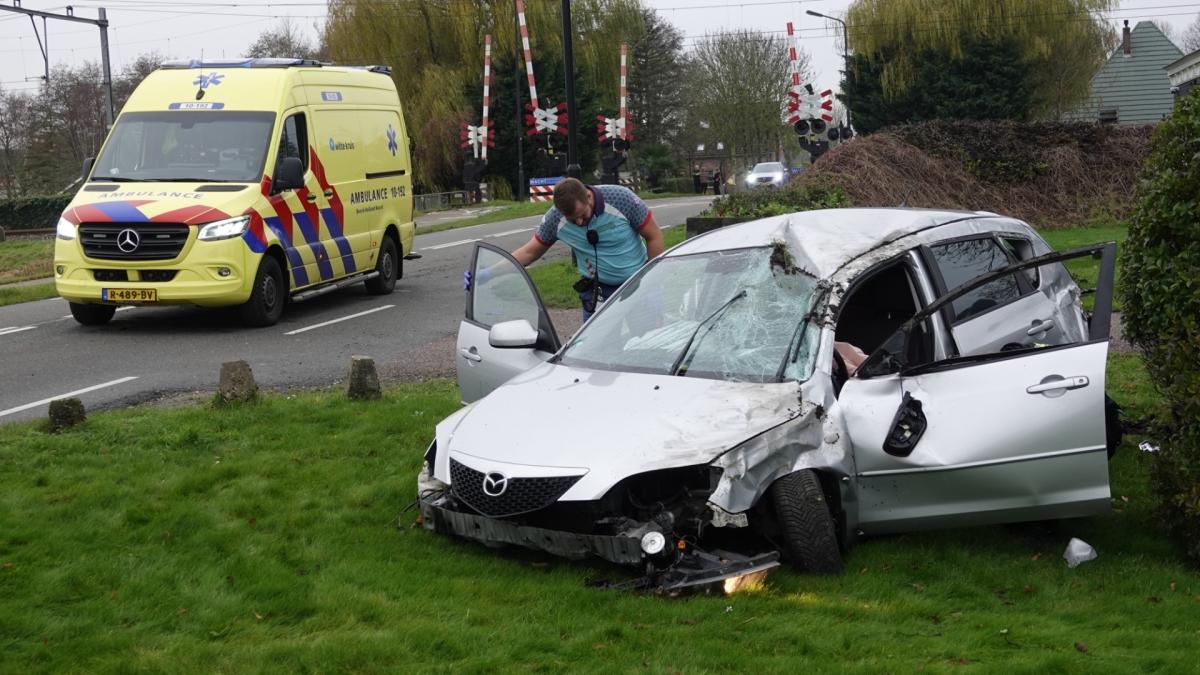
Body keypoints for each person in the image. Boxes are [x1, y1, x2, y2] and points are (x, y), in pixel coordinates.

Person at [466, 178, 664, 319]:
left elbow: (654, 235)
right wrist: (487, 273)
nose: (578, 222)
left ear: (588, 196)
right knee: (595, 355)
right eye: (572, 219)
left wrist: (651, 281)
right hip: (598, 292)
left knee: (644, 348)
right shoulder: (555, 219)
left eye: (582, 215)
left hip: (637, 284)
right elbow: (529, 252)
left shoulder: (621, 198)